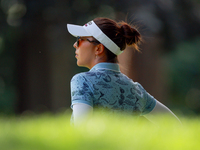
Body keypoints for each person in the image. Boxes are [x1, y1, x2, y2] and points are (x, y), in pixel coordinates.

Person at [67, 17, 180, 126]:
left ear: (98, 49)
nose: (75, 45)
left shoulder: (82, 80)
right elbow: (175, 125)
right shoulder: (136, 90)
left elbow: (81, 129)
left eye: (80, 40)